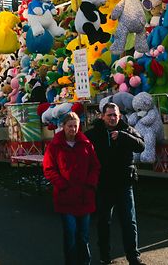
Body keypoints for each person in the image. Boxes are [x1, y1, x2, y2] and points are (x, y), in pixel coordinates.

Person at [86, 102, 146, 265]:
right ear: (102, 116)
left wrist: (123, 136)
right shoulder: (94, 134)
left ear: (119, 116)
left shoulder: (127, 130)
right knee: (104, 222)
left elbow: (141, 146)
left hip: (124, 183)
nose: (113, 118)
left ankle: (133, 256)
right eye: (109, 115)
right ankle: (105, 256)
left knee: (129, 221)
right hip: (104, 184)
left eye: (115, 115)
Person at [44, 112, 101, 265]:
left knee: (83, 235)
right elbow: (49, 169)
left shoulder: (86, 143)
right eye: (70, 126)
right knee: (70, 234)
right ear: (63, 126)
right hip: (66, 197)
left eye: (75, 126)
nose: (73, 129)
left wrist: (90, 184)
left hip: (84, 196)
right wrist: (62, 185)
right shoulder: (55, 146)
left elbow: (95, 166)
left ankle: (84, 262)